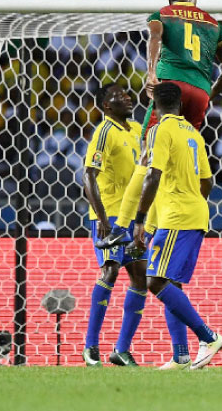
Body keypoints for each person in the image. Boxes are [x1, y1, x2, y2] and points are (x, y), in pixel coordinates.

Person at [97, 0, 222, 250]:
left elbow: (155, 37)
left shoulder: (162, 14)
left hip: (169, 88)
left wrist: (151, 73)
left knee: (149, 158)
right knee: (177, 157)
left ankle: (122, 227)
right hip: (199, 92)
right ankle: (152, 231)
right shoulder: (213, 24)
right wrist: (209, 93)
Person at [132, 82, 222, 370]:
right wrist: (192, 199)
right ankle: (180, 354)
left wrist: (139, 219)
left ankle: (208, 337)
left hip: (176, 216)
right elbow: (208, 181)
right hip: (196, 213)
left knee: (154, 281)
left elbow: (153, 176)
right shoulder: (194, 133)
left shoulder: (160, 130)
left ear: (155, 107)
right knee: (172, 284)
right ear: (180, 105)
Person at [82, 83, 147, 367]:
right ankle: (90, 347)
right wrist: (103, 220)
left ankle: (121, 349)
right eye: (119, 96)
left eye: (127, 93)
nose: (127, 97)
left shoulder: (135, 129)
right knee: (110, 271)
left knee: (141, 279)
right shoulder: (104, 131)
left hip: (133, 218)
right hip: (110, 217)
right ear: (107, 106)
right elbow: (88, 176)